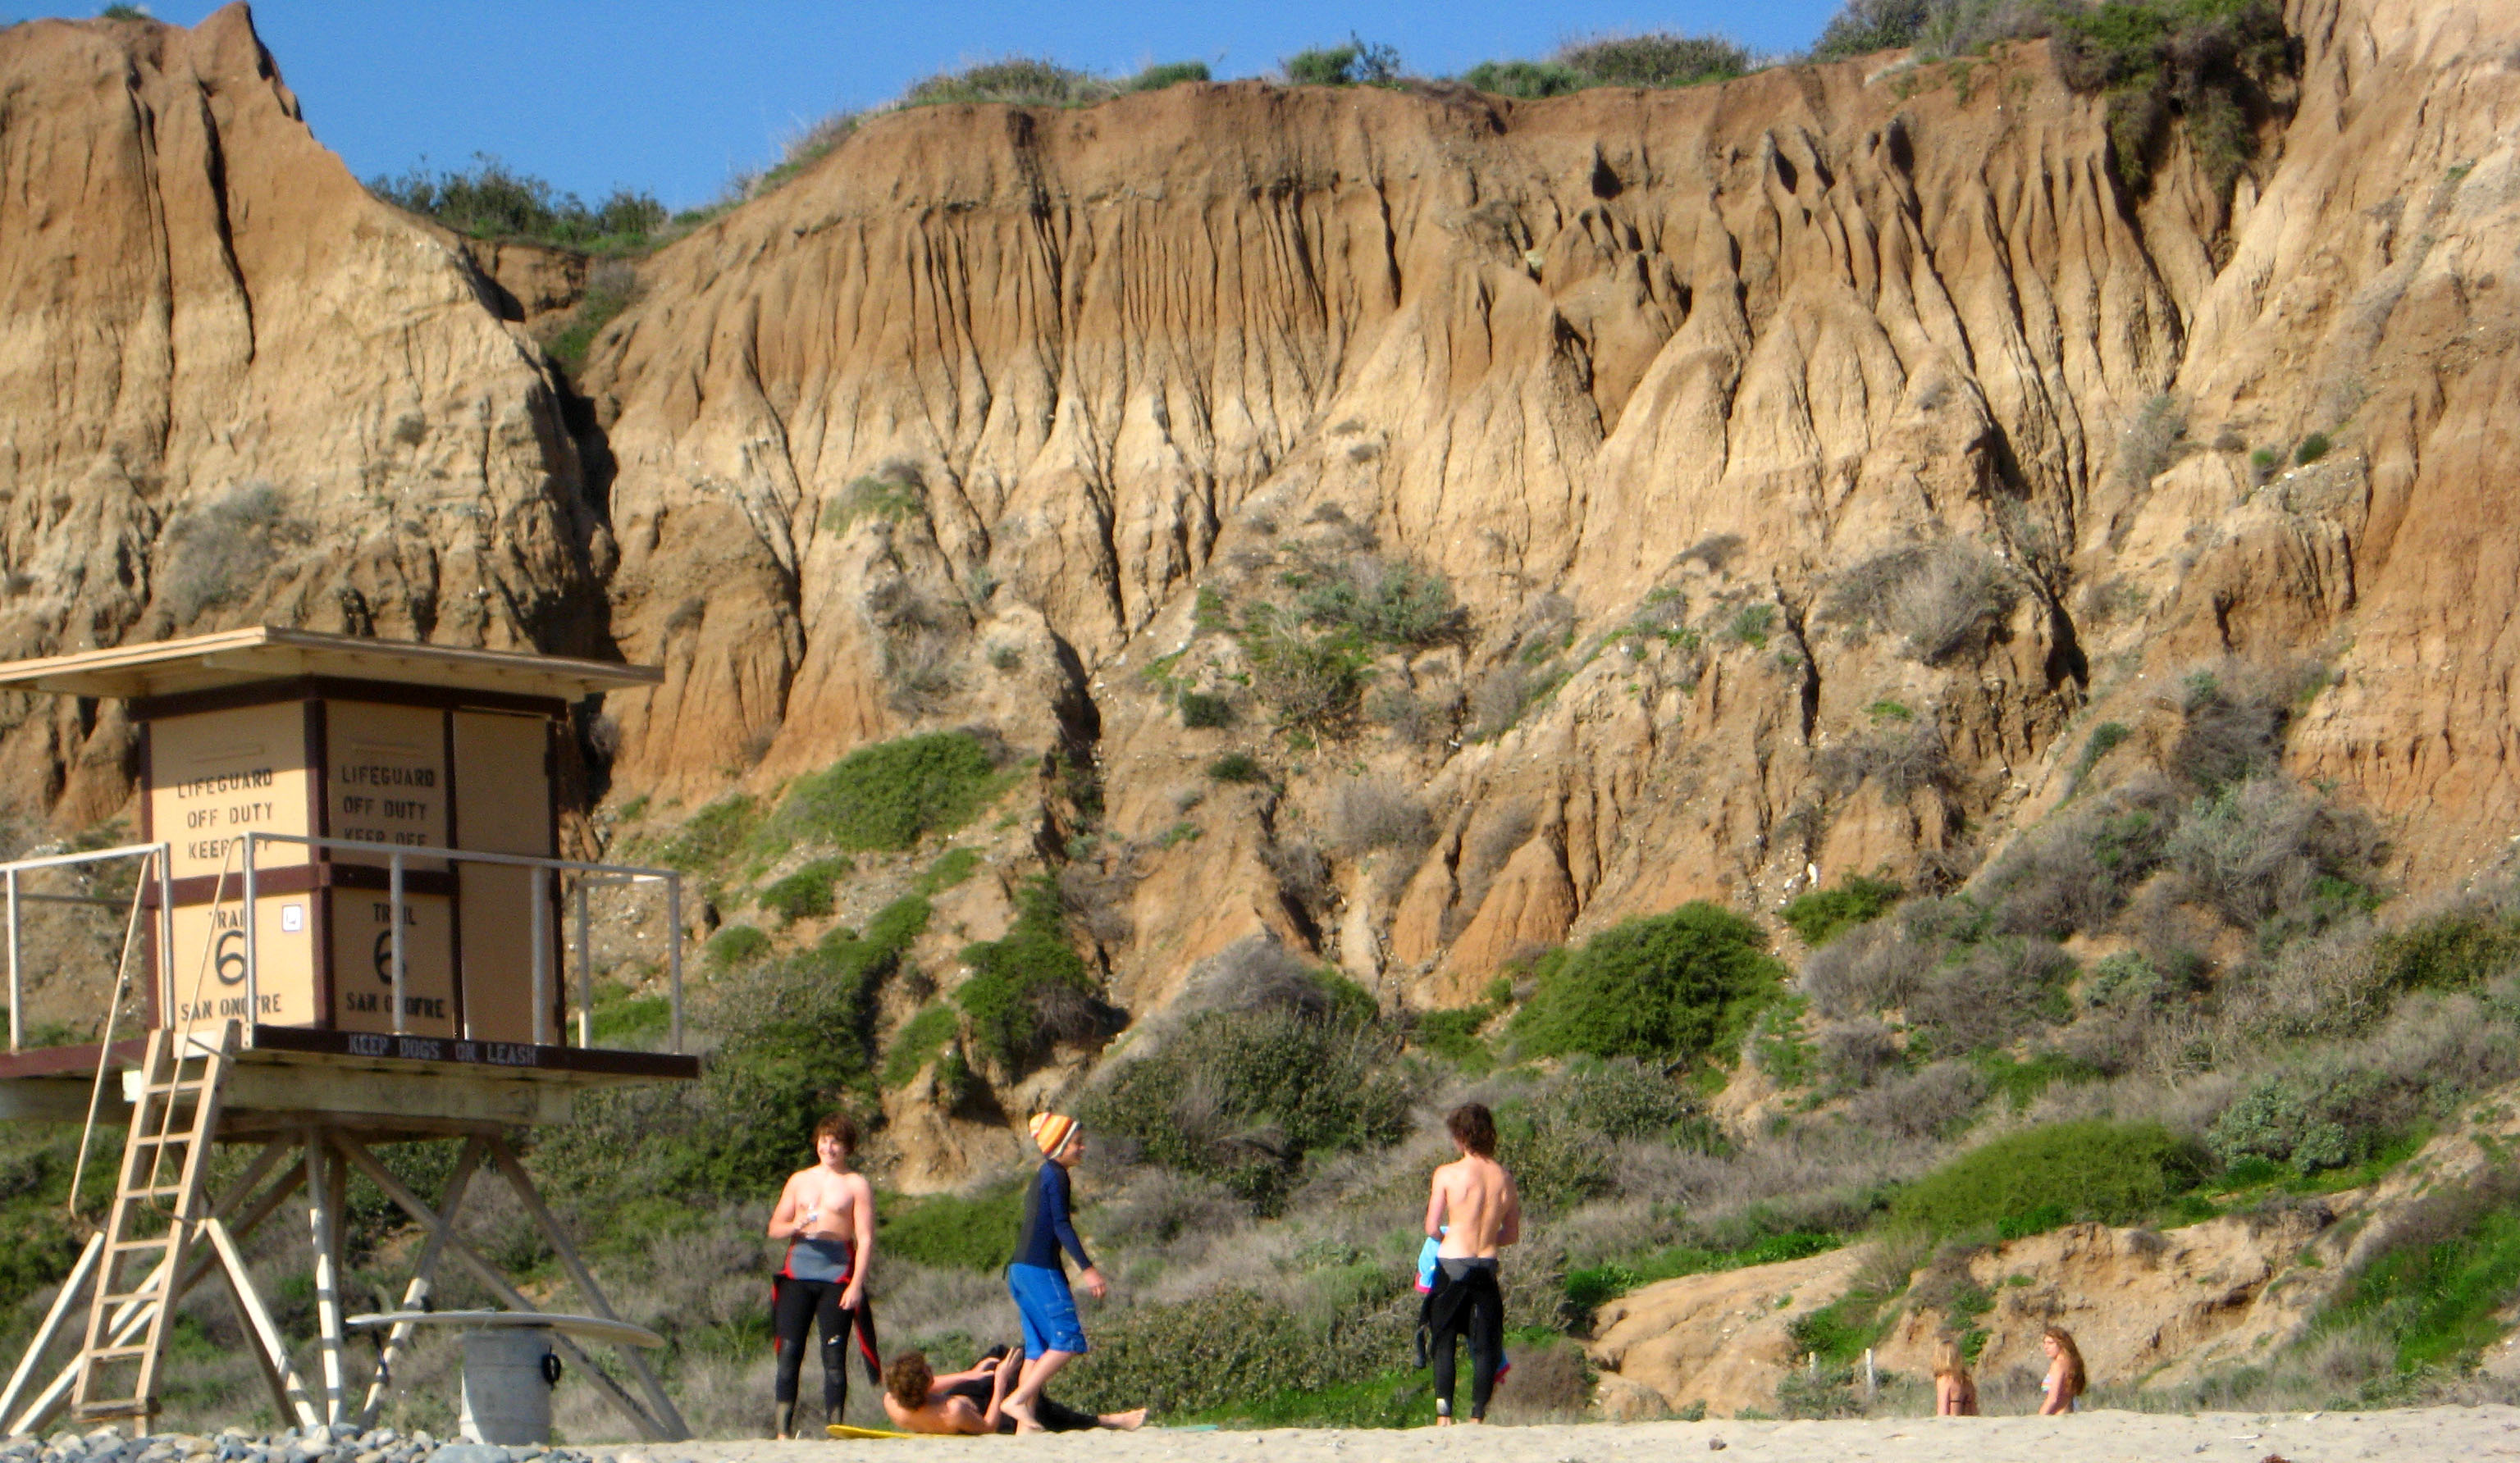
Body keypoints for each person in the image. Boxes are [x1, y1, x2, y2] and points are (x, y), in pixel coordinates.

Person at [765, 1112, 878, 1438]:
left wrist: (856, 1283)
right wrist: (794, 1225)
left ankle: (835, 1429)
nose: (829, 1148)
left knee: (834, 1355)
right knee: (789, 1350)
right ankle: (783, 1431)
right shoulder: (799, 1180)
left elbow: (866, 1238)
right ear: (817, 1142)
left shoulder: (856, 1184)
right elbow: (775, 1228)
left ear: (848, 1148)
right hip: (800, 1265)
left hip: (836, 1270)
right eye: (825, 1140)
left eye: (836, 1142)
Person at [1002, 1112, 1109, 1433]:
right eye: (1077, 1142)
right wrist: (1088, 1270)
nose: (1083, 1147)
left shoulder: (1043, 1175)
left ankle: (1025, 1425)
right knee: (1068, 1339)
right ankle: (1018, 1401)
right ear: (1060, 1145)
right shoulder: (1057, 1175)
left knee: (1036, 1350)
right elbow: (1062, 1226)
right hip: (1037, 1269)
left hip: (1018, 1270)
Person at [1418, 1101, 1520, 1425]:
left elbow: (1432, 1227)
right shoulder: (1505, 1178)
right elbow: (1512, 1234)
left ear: (1462, 1135)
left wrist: (1450, 1234)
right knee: (1486, 1343)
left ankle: (1444, 1415)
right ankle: (1478, 1416)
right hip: (1486, 1264)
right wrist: (1485, 1236)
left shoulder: (1447, 1174)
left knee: (1444, 1340)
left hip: (1452, 1264)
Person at [881, 1347, 1145, 1434]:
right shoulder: (953, 1412)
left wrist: (971, 1375)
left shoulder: (893, 1401)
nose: (931, 1370)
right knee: (1038, 1408)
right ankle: (1107, 1420)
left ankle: (1020, 1372)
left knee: (1000, 1354)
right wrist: (1000, 1383)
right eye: (927, 1370)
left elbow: (930, 1385)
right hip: (988, 1410)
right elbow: (988, 1426)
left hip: (970, 1397)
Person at [2038, 1325, 2086, 1415]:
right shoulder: (2072, 1362)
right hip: (2071, 1412)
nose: (2046, 1347)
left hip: (2058, 1416)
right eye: (2044, 1343)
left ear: (2061, 1344)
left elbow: (2053, 1399)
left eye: (2050, 1343)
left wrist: (2040, 1418)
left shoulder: (2058, 1365)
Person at [1932, 1337, 1979, 1416]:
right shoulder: (1967, 1381)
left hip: (1953, 1423)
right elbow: (1974, 1410)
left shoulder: (1944, 1380)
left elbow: (1943, 1410)